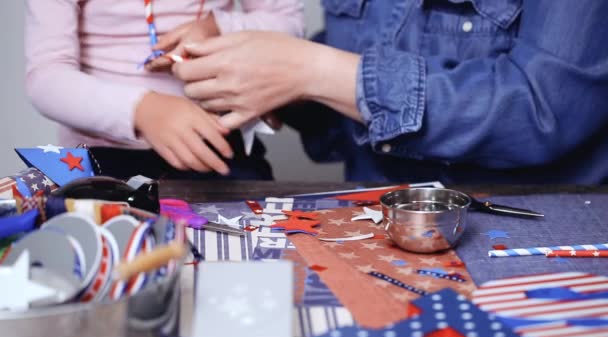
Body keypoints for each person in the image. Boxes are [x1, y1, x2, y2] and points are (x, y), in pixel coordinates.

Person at [172, 0, 608, 184]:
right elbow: (363, 67)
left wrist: (311, 70)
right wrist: (274, 79)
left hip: (532, 240)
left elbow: (544, 110)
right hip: (374, 227)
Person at [25, 0, 303, 180]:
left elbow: (290, 24)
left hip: (218, 143)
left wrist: (221, 26)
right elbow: (46, 77)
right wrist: (140, 111)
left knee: (249, 257)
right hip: (98, 158)